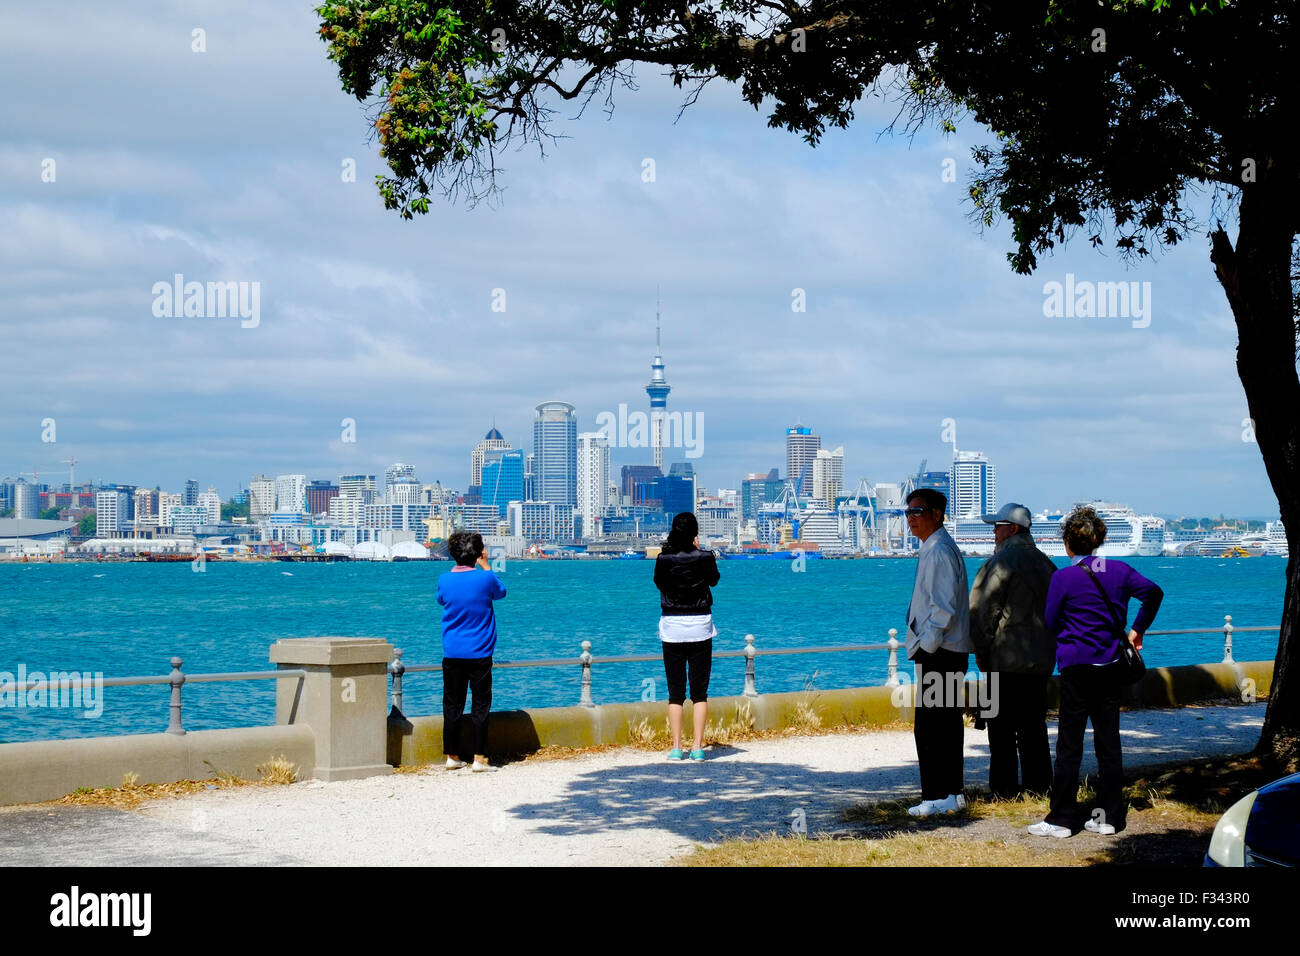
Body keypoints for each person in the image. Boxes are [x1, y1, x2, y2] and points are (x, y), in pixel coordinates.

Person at [1028, 507, 1163, 838]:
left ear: (1068, 543)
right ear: (1100, 540)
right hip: (1111, 666)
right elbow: (1153, 593)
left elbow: (1049, 620)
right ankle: (1109, 818)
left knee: (1070, 745)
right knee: (1108, 742)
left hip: (1076, 667)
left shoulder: (1063, 577)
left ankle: (1061, 819)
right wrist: (1137, 630)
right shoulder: (1118, 569)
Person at [968, 503, 1057, 798]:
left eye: (998, 526)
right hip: (1040, 661)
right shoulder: (1047, 565)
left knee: (1001, 729)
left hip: (1003, 660)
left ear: (1013, 529)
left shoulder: (1000, 563)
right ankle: (1040, 786)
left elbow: (982, 610)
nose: (993, 531)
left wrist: (979, 650)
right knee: (1034, 727)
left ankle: (1004, 789)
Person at [903, 488, 973, 816]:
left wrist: (927, 647)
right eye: (908, 512)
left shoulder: (939, 550)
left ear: (937, 514)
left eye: (918, 511)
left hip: (940, 650)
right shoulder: (936, 547)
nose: (911, 518)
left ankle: (935, 795)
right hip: (946, 649)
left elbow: (942, 609)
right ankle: (953, 793)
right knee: (945, 722)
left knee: (930, 726)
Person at [436, 530, 507, 772]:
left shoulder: (444, 579)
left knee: (452, 705)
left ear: (453, 554)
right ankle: (480, 758)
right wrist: (486, 566)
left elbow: (441, 600)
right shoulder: (485, 579)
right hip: (480, 652)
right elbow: (501, 592)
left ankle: (452, 756)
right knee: (480, 705)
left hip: (453, 651)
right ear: (478, 553)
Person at [653, 511, 720, 761]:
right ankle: (698, 747)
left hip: (672, 625)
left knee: (675, 692)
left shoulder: (663, 558)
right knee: (699, 692)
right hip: (700, 623)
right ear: (694, 533)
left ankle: (676, 747)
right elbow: (714, 580)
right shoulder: (705, 557)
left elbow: (660, 584)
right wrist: (701, 552)